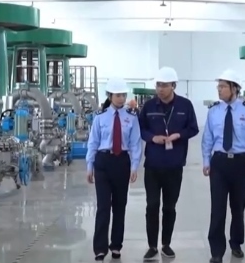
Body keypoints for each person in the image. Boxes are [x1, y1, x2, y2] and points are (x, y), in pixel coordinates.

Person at [138, 67, 200, 260]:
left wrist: (178, 135)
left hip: (174, 165)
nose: (160, 89)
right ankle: (152, 246)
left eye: (164, 85)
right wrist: (152, 138)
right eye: (158, 85)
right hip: (153, 165)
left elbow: (193, 128)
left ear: (173, 85)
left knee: (169, 207)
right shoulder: (149, 106)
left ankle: (166, 244)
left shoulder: (185, 105)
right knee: (152, 205)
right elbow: (141, 129)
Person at [201, 69, 245, 263]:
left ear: (234, 88)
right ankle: (216, 251)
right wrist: (206, 161)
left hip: (239, 163)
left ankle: (236, 243)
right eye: (218, 86)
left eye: (223, 87)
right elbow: (207, 138)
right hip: (219, 163)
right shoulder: (214, 111)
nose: (219, 90)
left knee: (238, 207)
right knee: (217, 208)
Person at [86, 78, 142, 261]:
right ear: (110, 96)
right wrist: (89, 166)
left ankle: (116, 245)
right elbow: (93, 142)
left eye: (124, 95)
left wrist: (134, 166)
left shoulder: (131, 117)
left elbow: (135, 144)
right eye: (118, 95)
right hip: (103, 162)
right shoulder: (100, 117)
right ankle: (100, 249)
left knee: (120, 206)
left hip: (122, 163)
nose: (121, 98)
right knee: (103, 206)